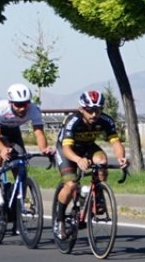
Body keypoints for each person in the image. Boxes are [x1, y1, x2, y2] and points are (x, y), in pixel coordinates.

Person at [53, 90, 128, 237]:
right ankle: (60, 219)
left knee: (102, 161)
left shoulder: (106, 121)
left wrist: (121, 158)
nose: (94, 114)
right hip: (67, 150)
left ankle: (97, 194)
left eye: (98, 110)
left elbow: (116, 143)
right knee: (71, 184)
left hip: (88, 147)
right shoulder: (72, 121)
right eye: (90, 110)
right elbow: (67, 148)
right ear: (81, 109)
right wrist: (78, 160)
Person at [0, 83, 54, 206]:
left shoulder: (34, 109)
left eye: (25, 104)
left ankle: (17, 202)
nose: (22, 108)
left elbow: (39, 133)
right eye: (18, 105)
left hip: (12, 131)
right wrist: (3, 149)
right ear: (10, 102)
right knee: (2, 145)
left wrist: (44, 149)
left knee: (21, 161)